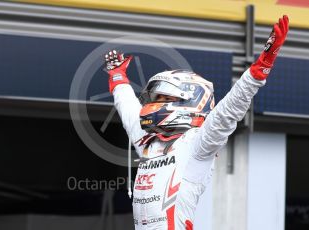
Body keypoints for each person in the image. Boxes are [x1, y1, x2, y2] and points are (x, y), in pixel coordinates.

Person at [104, 15, 289, 230]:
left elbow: (227, 112)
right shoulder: (148, 142)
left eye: (164, 98)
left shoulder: (197, 144)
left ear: (190, 100)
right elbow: (128, 109)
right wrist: (118, 77)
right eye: (156, 99)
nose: (156, 104)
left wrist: (260, 68)